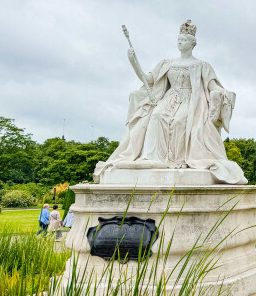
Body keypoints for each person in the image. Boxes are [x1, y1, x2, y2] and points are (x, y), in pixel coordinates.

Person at [93, 20, 245, 184]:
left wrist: (221, 93)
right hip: (170, 98)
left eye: (184, 39)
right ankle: (152, 157)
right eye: (179, 39)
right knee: (156, 116)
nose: (180, 42)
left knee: (181, 120)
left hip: (191, 100)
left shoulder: (202, 65)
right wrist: (133, 62)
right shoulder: (167, 63)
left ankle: (179, 159)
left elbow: (212, 86)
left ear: (192, 43)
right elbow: (147, 79)